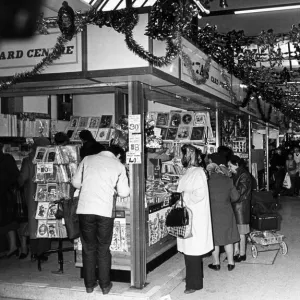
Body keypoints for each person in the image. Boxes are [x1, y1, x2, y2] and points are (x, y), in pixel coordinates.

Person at [72, 145, 130, 295]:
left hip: (85, 210)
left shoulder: (87, 159)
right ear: (117, 155)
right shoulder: (118, 165)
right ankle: (105, 285)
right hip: (104, 211)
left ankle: (89, 285)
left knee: (88, 248)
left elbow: (75, 183)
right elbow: (124, 192)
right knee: (103, 249)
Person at [176, 144, 213, 294]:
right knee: (189, 251)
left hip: (195, 217)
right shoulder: (190, 172)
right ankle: (193, 277)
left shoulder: (198, 172)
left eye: (183, 155)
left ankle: (194, 284)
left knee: (192, 251)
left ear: (189, 156)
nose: (181, 158)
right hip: (189, 216)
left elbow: (199, 194)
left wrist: (183, 196)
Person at [18, 137, 51, 262]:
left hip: (32, 197)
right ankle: (43, 252)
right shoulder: (50, 159)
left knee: (33, 223)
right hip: (48, 195)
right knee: (45, 220)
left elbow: (22, 179)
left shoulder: (28, 160)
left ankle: (34, 251)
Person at [206, 153, 240, 271]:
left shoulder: (207, 181)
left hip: (212, 213)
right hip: (226, 211)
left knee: (214, 239)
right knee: (228, 238)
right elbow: (235, 197)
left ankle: (216, 263)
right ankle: (231, 263)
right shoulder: (228, 180)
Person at [228, 155, 252, 263]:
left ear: (236, 164)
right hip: (237, 207)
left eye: (230, 166)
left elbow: (240, 192)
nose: (229, 168)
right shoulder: (238, 173)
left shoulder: (243, 175)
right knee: (238, 231)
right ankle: (237, 252)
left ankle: (242, 254)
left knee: (242, 232)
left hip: (241, 207)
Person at [0, 143, 20, 258]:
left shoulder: (7, 159)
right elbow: (15, 175)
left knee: (7, 220)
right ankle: (12, 246)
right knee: (9, 220)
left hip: (5, 194)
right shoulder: (7, 158)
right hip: (7, 194)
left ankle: (11, 247)